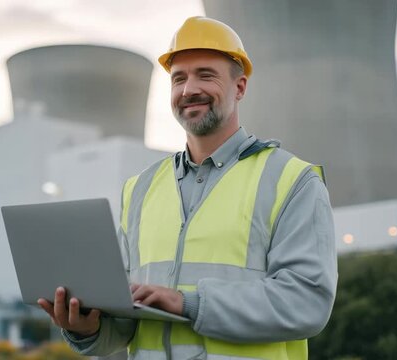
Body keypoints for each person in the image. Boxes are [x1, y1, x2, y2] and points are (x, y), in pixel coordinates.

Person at [38, 16, 337, 360]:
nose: (188, 89)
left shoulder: (292, 181)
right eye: (178, 78)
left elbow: (307, 301)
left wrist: (189, 303)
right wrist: (86, 327)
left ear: (239, 88)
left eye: (205, 75)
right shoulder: (140, 189)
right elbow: (124, 325)